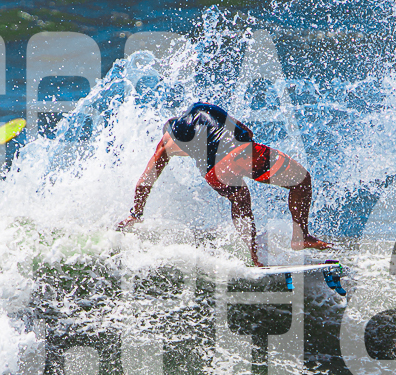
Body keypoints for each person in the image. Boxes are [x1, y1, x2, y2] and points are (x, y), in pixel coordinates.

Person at [116, 102, 331, 266]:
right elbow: (247, 131)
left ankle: (254, 256)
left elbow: (145, 181)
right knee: (301, 180)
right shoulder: (205, 109)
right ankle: (301, 236)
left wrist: (136, 214)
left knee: (240, 199)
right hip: (241, 153)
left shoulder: (168, 143)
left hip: (215, 173)